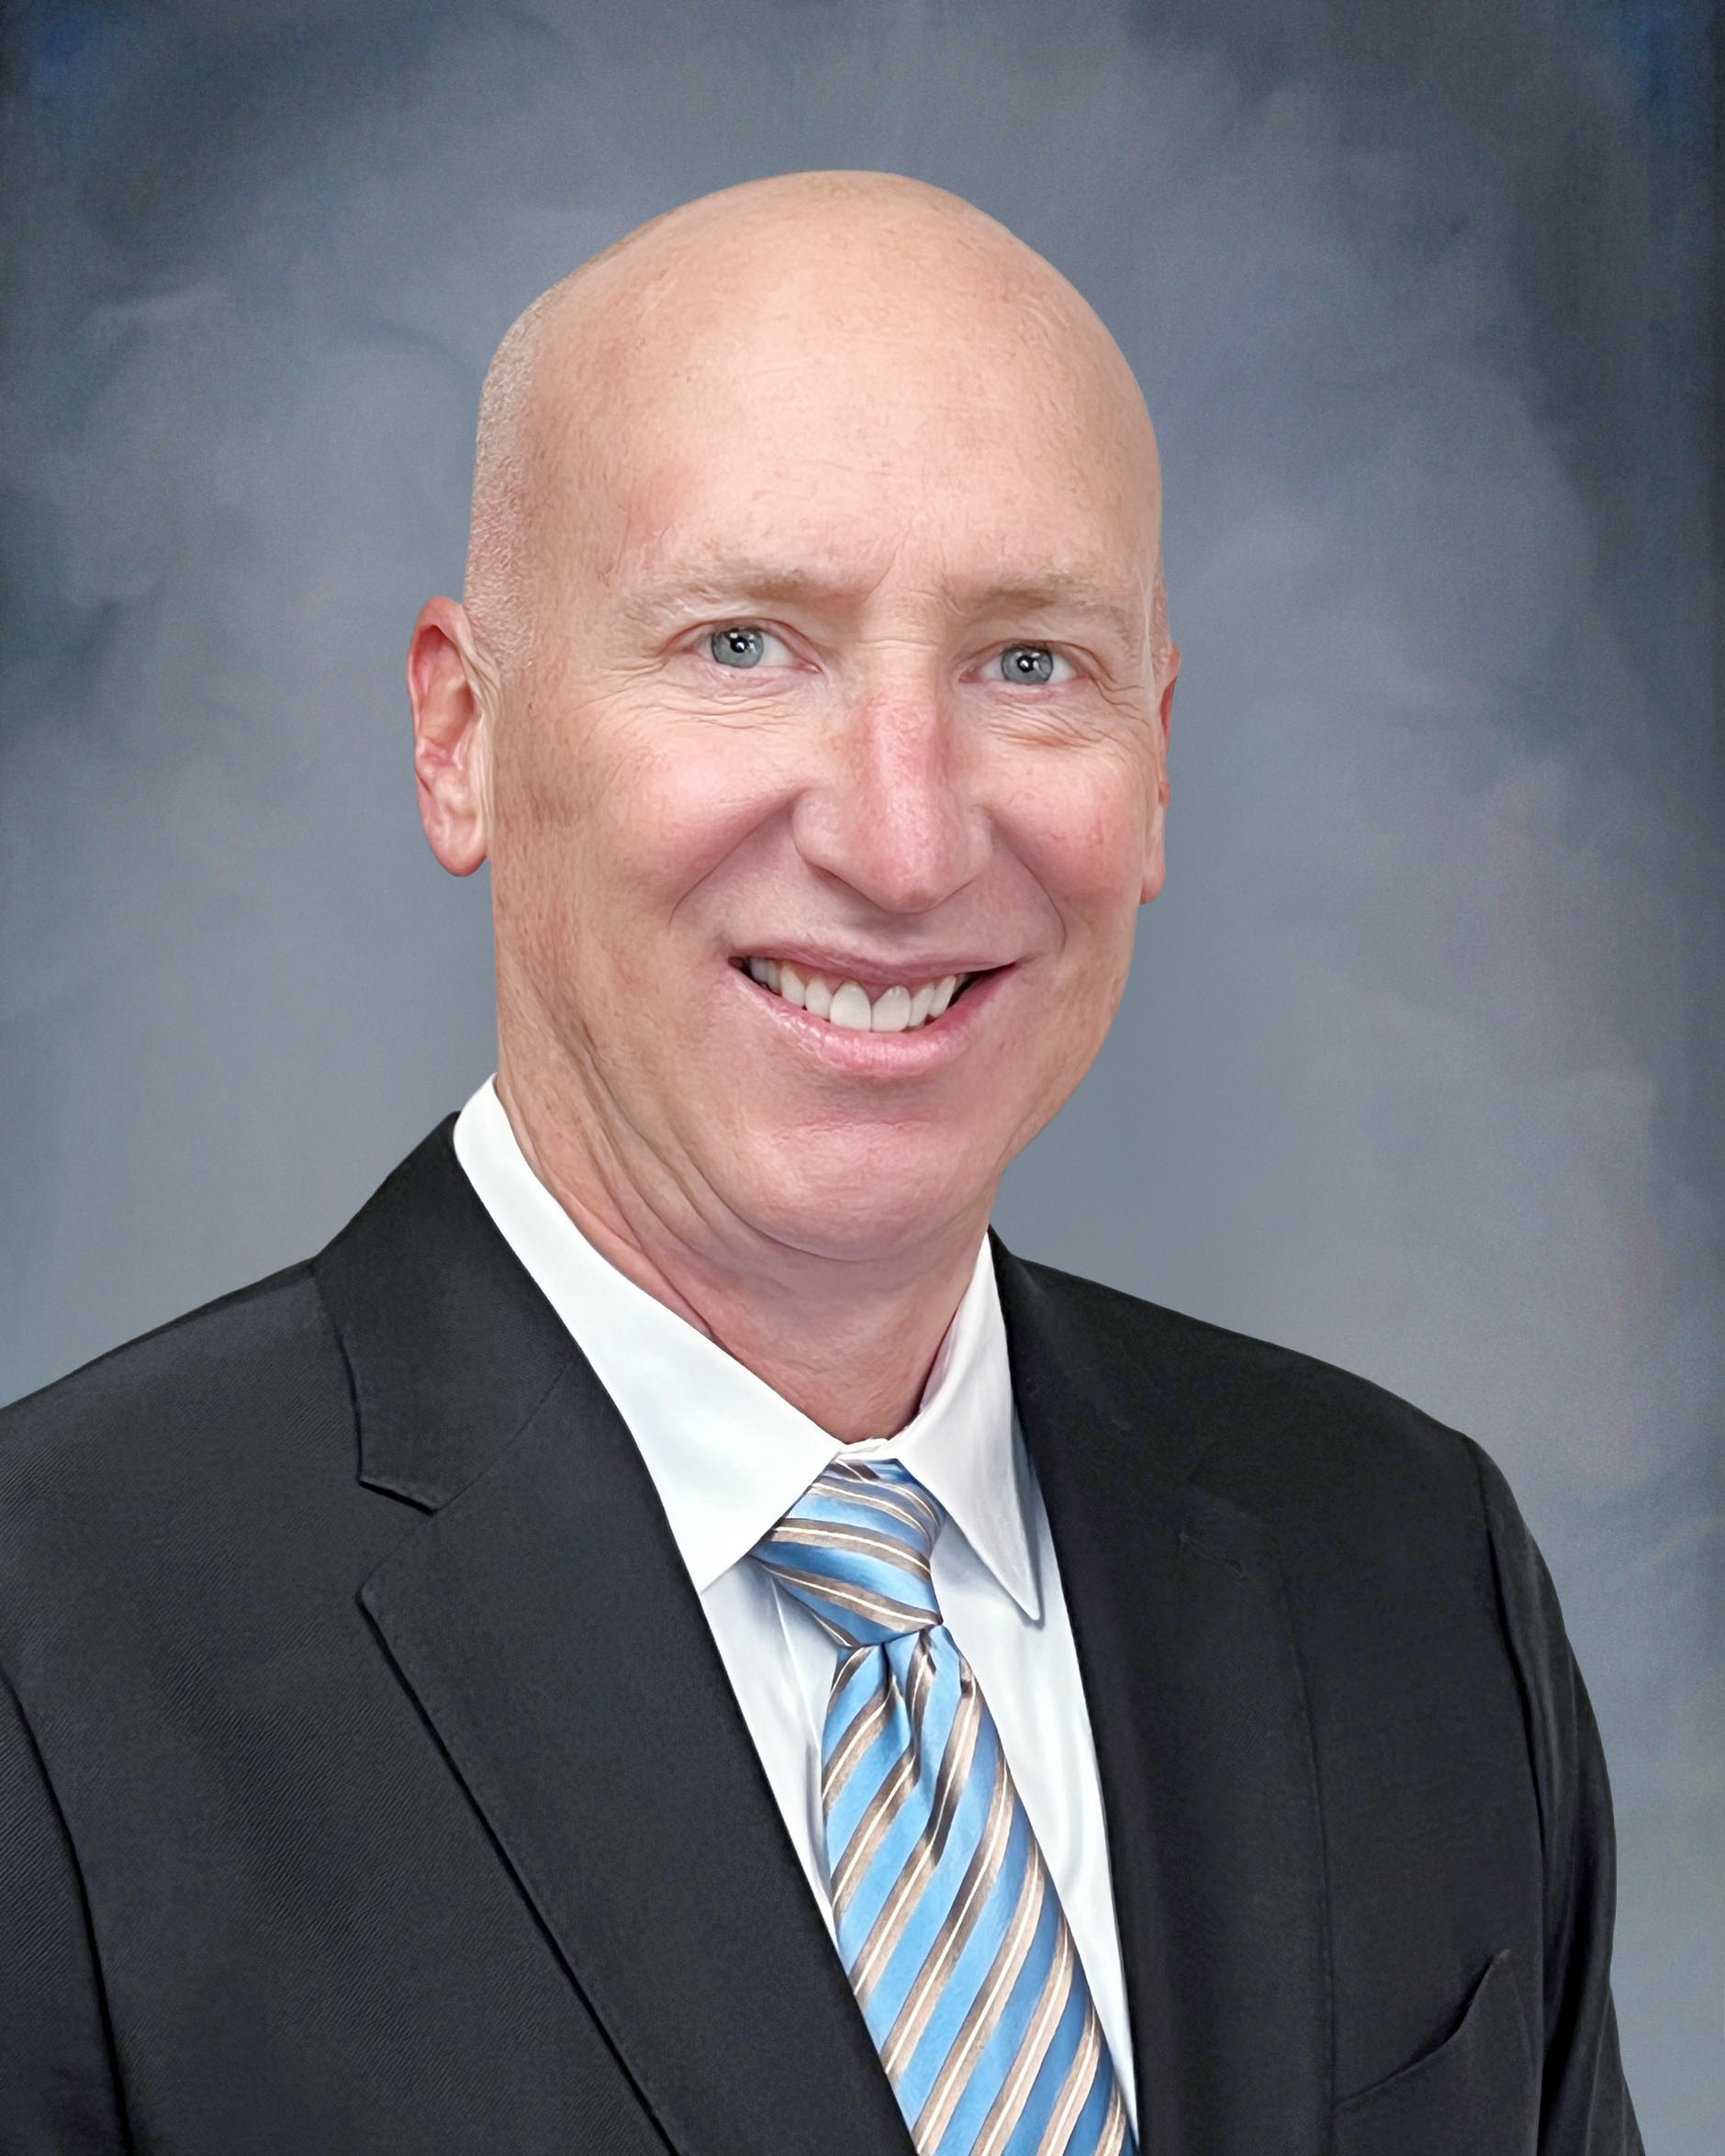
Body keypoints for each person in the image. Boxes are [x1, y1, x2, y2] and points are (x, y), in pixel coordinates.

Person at [0, 172, 1638, 2156]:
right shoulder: (53, 1660)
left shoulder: (1407, 1566)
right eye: (744, 642)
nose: (902, 838)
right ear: (461, 735)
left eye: (1027, 662)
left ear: (1155, 762)